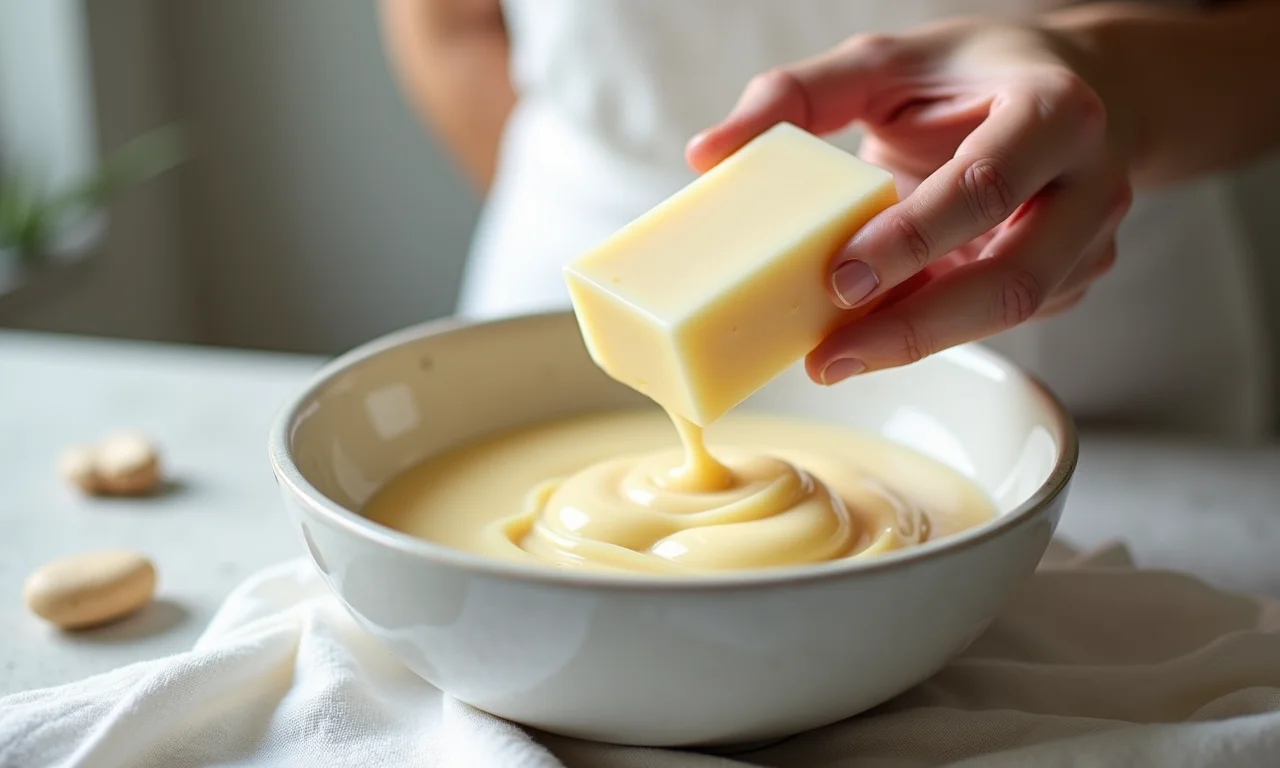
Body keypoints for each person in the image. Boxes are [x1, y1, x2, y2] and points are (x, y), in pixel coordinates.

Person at [379, 0, 1280, 441]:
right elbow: (449, 25)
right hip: (565, 309)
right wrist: (657, 281)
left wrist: (1115, 83)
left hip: (1085, 337)